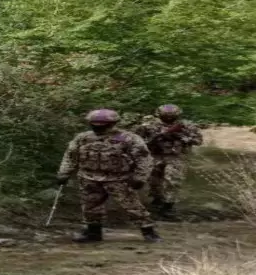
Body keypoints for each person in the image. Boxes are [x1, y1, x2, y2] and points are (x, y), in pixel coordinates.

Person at [57, 109, 162, 244]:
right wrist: (64, 173)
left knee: (132, 206)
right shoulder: (83, 138)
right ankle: (93, 233)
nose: (98, 127)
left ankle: (149, 232)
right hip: (89, 177)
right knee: (90, 207)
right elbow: (70, 156)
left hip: (118, 179)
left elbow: (144, 159)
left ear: (112, 124)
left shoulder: (128, 138)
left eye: (102, 124)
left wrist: (140, 177)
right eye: (94, 124)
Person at [134, 104, 204, 221]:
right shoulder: (148, 126)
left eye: (171, 116)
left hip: (176, 157)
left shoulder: (187, 126)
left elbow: (198, 141)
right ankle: (157, 200)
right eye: (165, 116)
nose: (168, 118)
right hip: (155, 156)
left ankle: (168, 206)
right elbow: (137, 141)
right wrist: (154, 139)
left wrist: (180, 136)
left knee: (172, 180)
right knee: (154, 181)